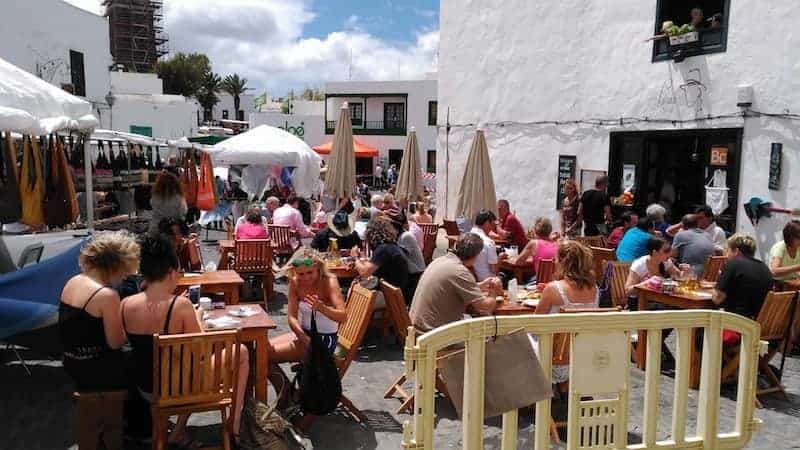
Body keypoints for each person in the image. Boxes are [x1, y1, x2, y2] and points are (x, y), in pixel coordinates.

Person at [122, 235, 249, 442]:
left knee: (180, 366)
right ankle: (234, 424)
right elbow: (200, 353)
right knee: (240, 352)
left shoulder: (126, 304)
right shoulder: (181, 307)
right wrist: (197, 317)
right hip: (180, 390)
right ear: (171, 272)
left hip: (146, 388)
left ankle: (177, 431)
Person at [59, 231, 140, 390]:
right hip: (95, 368)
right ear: (115, 266)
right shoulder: (107, 296)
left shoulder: (73, 281)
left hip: (70, 362)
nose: (125, 277)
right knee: (149, 359)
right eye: (124, 271)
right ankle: (141, 410)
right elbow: (116, 343)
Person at [268, 248, 347, 400]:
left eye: (310, 273)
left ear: (318, 267)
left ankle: (286, 395)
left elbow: (343, 317)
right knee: (261, 350)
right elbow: (291, 317)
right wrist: (302, 336)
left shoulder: (329, 281)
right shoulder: (295, 282)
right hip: (305, 334)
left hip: (324, 340)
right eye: (301, 274)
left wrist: (322, 308)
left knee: (262, 356)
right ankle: (287, 392)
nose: (305, 278)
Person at [534, 241, 599, 384]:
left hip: (553, 359)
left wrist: (549, 290)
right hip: (582, 356)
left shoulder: (553, 289)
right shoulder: (594, 289)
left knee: (513, 341)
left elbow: (535, 325)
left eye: (556, 259)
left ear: (563, 261)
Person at [410, 233, 500, 333]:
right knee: (485, 332)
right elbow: (485, 308)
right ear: (476, 255)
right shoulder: (460, 271)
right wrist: (494, 292)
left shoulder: (440, 260)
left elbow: (453, 287)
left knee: (471, 322)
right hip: (431, 335)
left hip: (416, 328)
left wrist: (481, 285)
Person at [714, 234, 773, 319]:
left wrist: (715, 287)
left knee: (699, 326)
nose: (726, 255)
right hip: (756, 323)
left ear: (737, 251)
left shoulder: (734, 264)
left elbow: (717, 298)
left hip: (737, 322)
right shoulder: (764, 267)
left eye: (728, 250)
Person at [351, 216, 409, 294]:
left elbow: (364, 273)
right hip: (396, 295)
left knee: (353, 291)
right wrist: (359, 262)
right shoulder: (391, 247)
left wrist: (355, 257)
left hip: (389, 297)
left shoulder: (383, 249)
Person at [387, 210, 426, 303]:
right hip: (408, 273)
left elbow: (399, 257)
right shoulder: (399, 236)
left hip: (415, 275)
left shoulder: (406, 236)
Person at [624, 237, 682, 301]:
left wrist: (686, 272)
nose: (670, 253)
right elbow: (628, 291)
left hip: (658, 300)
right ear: (654, 252)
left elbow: (679, 277)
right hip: (640, 301)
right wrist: (648, 282)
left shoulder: (666, 262)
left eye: (670, 250)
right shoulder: (639, 265)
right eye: (666, 251)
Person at [469, 210, 500, 282]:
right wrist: (500, 259)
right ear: (486, 223)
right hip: (487, 281)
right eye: (492, 224)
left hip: (472, 278)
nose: (492, 228)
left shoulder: (468, 236)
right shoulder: (488, 242)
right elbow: (494, 269)